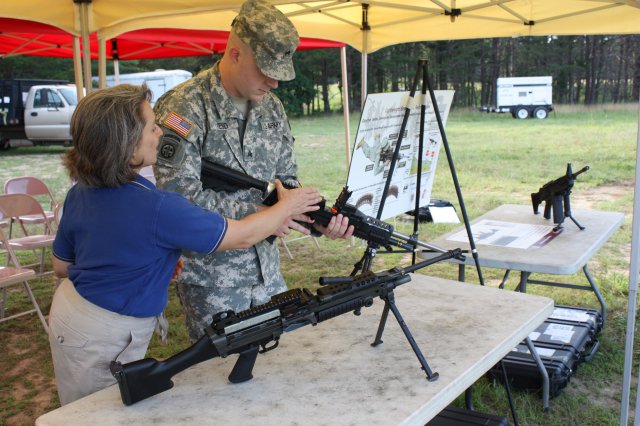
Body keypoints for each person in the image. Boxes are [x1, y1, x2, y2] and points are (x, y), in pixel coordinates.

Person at [48, 83, 322, 405]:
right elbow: (243, 235)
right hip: (104, 335)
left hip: (72, 314)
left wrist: (146, 263)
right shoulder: (158, 207)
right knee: (95, 414)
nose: (161, 132)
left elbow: (62, 265)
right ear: (126, 144)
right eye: (152, 127)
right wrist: (286, 206)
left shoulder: (81, 192)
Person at [153, 0, 354, 343]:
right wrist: (267, 214)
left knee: (275, 372)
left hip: (267, 272)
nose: (274, 82)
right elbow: (178, 200)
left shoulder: (271, 107)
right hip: (214, 278)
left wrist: (316, 217)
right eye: (265, 69)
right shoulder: (185, 107)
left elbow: (286, 179)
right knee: (220, 379)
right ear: (235, 53)